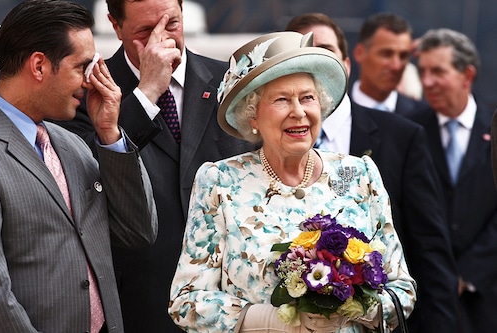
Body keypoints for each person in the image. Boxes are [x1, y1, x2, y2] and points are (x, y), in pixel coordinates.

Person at [168, 31, 416, 332]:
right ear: (252, 117)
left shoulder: (358, 174)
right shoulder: (220, 182)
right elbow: (187, 302)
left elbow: (402, 291)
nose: (299, 112)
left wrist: (352, 307)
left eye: (307, 98)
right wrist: (273, 321)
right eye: (282, 100)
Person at [53, 0, 256, 331]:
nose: (163, 40)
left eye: (172, 24)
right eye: (145, 31)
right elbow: (86, 172)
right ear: (115, 26)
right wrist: (147, 93)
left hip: (228, 295)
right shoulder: (89, 89)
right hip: (137, 297)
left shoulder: (231, 83)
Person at [285, 13, 458, 333]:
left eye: (323, 49)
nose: (311, 60)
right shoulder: (258, 152)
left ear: (347, 65)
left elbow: (429, 251)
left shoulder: (403, 138)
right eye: (298, 52)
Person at [0, 1, 158, 332]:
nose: (90, 82)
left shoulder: (71, 146)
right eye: (82, 67)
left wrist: (111, 134)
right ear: (39, 65)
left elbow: (138, 231)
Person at [405, 28, 497, 333]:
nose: (427, 81)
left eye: (438, 71)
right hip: (427, 300)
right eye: (423, 71)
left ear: (466, 75)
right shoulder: (409, 130)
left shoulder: (493, 127)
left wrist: (467, 273)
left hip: (485, 295)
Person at [351, 13, 425, 114]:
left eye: (403, 56)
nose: (396, 66)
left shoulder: (423, 118)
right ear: (359, 53)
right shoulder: (332, 113)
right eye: (386, 54)